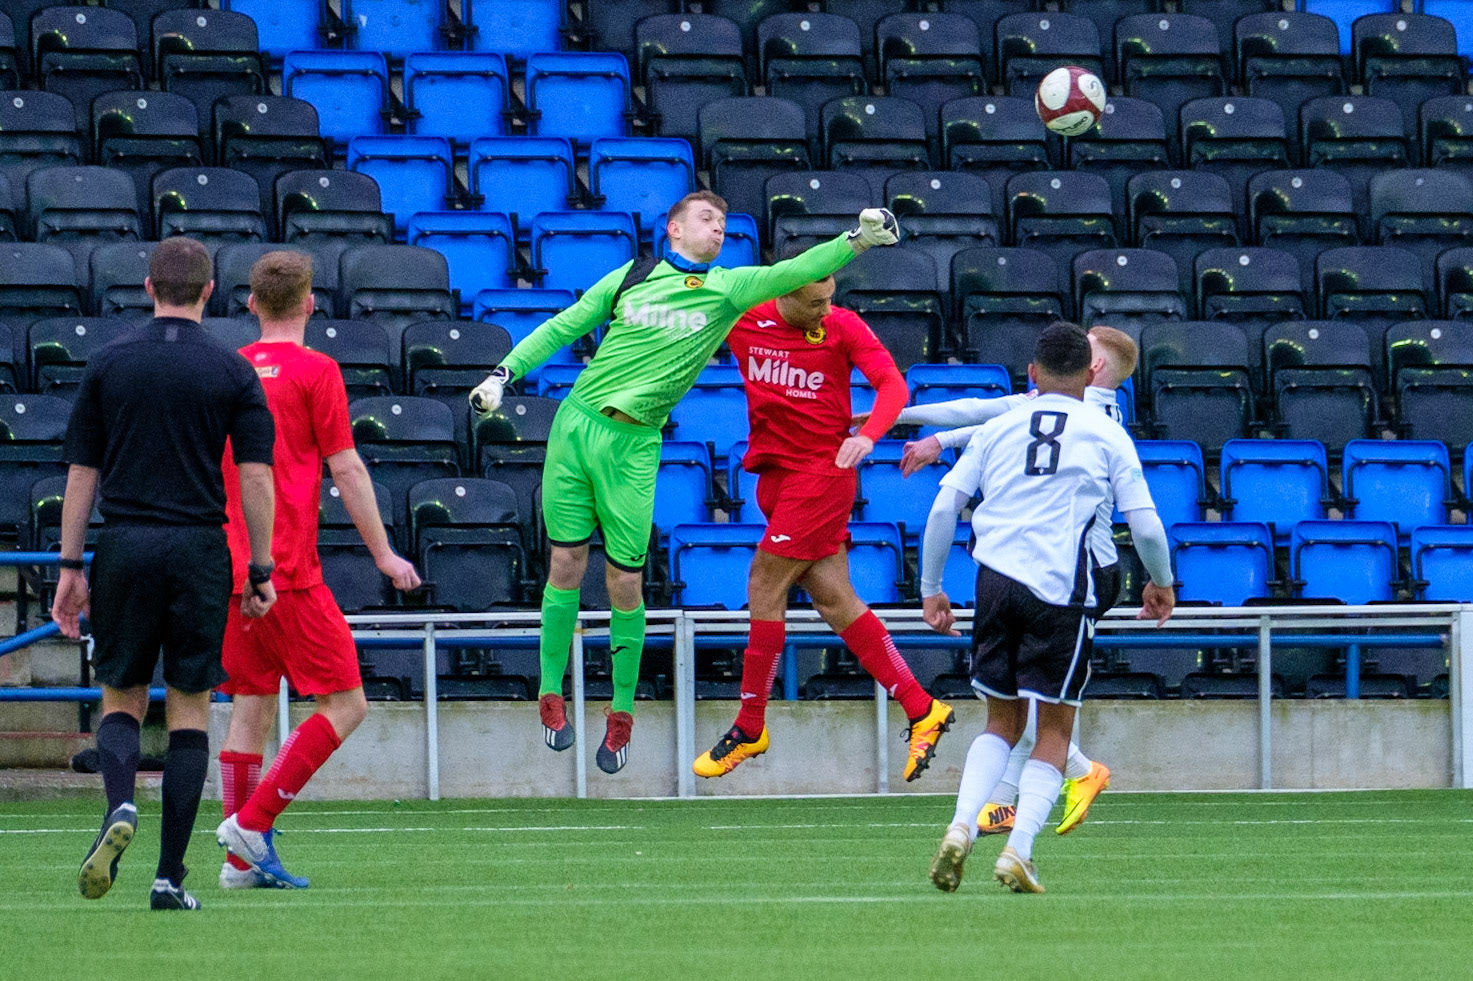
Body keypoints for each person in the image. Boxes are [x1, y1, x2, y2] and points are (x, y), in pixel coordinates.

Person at [468, 191, 900, 773]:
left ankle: (621, 711)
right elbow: (566, 324)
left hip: (634, 444)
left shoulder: (728, 289)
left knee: (624, 580)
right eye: (706, 218)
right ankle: (550, 693)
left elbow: (797, 271)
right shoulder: (633, 275)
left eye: (723, 222)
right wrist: (504, 373)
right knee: (564, 563)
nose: (718, 228)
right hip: (574, 425)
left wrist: (858, 240)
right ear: (673, 228)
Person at [54, 236, 278, 911]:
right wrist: (260, 566)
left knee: (120, 695)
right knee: (189, 709)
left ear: (149, 288)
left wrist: (70, 565)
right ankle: (168, 878)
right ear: (209, 291)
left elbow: (82, 473)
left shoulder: (108, 362)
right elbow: (256, 476)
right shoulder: (233, 370)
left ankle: (120, 803)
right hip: (198, 548)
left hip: (125, 543)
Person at [918, 323, 1175, 895]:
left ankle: (961, 825)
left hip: (994, 583)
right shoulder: (1107, 432)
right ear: (1089, 375)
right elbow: (1146, 525)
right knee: (1054, 728)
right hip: (1062, 588)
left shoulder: (1000, 426)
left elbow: (943, 508)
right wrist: (1161, 582)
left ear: (1031, 374)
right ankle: (1019, 850)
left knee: (1000, 723)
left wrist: (931, 587)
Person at [691, 264, 955, 780]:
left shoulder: (843, 325)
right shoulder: (743, 315)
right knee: (835, 600)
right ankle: (922, 707)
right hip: (774, 476)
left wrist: (870, 435)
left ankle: (750, 725)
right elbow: (683, 306)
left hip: (822, 475)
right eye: (815, 302)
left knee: (763, 584)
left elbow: (892, 386)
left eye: (830, 298)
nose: (826, 310)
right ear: (781, 293)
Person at [212, 251, 422, 889]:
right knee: (347, 703)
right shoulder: (317, 370)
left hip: (231, 563)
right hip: (289, 568)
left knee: (250, 707)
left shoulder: (229, 369)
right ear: (310, 304)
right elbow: (346, 467)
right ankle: (253, 824)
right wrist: (384, 554)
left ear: (251, 304)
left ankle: (238, 865)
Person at [883, 326, 1137, 836]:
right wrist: (929, 434)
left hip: (1078, 567)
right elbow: (989, 415)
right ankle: (1027, 792)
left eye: (1086, 347)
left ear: (1096, 369)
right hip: (1058, 565)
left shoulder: (1081, 410)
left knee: (1020, 697)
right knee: (1027, 689)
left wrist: (911, 424)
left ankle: (1048, 783)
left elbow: (983, 413)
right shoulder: (1088, 410)